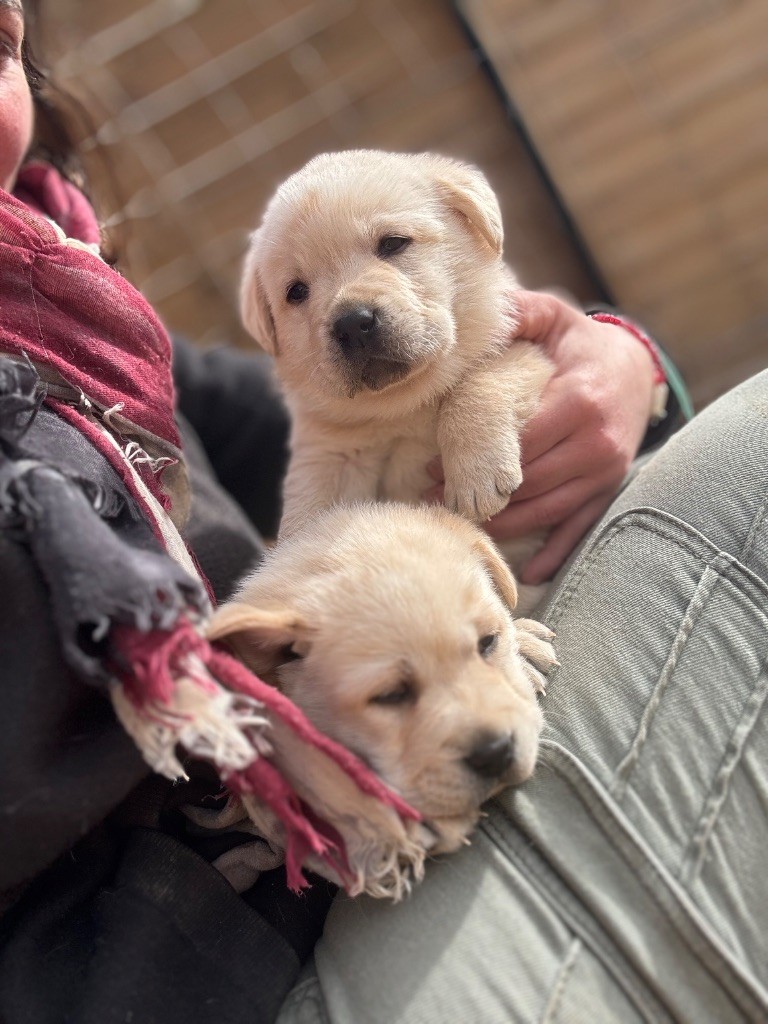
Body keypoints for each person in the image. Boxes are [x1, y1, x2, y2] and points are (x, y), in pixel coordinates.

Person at [2, 2, 766, 1022]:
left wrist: (617, 363)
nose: (348, 311)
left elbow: (331, 413)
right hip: (230, 941)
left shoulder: (76, 333)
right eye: (303, 293)